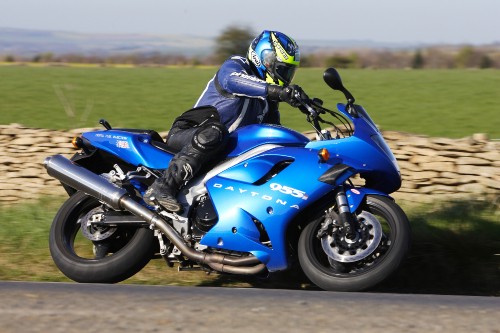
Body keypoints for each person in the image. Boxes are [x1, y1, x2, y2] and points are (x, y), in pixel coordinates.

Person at [145, 30, 308, 212]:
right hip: (189, 136)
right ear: (265, 60)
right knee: (216, 132)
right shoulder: (236, 66)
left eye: (289, 72)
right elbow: (232, 81)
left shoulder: (267, 103)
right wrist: (277, 92)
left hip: (220, 152)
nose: (285, 77)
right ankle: (163, 186)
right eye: (281, 69)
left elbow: (273, 135)